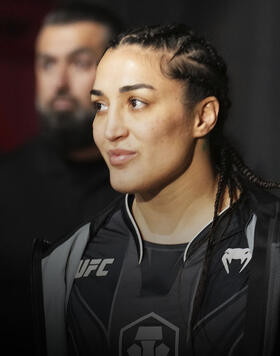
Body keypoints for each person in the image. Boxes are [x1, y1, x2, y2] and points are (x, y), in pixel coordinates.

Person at [33, 24, 280, 356]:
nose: (111, 130)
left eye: (136, 102)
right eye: (100, 106)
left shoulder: (271, 245)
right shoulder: (65, 263)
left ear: (203, 116)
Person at [0, 2, 122, 354]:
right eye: (48, 63)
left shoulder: (150, 189)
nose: (60, 81)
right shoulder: (6, 184)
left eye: (81, 63)